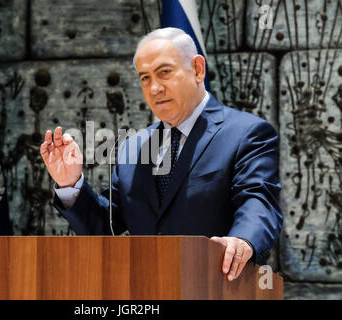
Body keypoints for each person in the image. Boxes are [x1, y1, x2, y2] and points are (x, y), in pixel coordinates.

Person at [40, 27, 283, 282]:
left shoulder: (247, 133)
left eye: (164, 72)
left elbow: (259, 200)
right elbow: (106, 227)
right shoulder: (133, 147)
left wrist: (243, 239)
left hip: (216, 287)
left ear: (198, 70)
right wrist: (70, 184)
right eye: (145, 78)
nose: (154, 88)